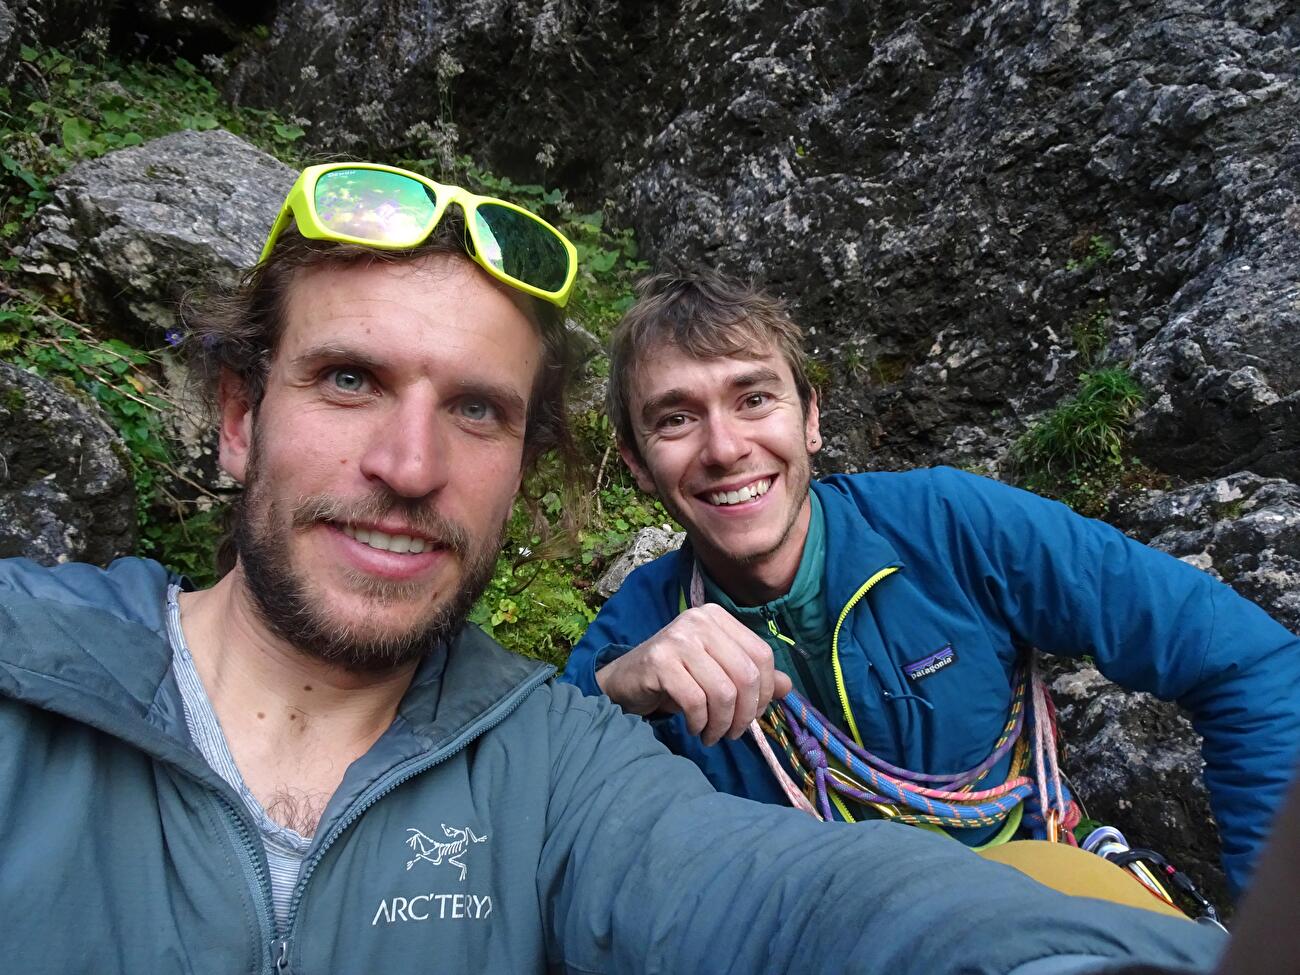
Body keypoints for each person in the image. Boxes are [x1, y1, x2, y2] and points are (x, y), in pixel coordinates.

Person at [0, 162, 1225, 975]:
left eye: (476, 409)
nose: (410, 464)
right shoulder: (28, 668)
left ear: (815, 418)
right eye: (350, 379)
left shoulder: (550, 762)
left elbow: (771, 895)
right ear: (236, 417)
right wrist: (621, 689)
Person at [560, 269, 1300, 902]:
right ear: (636, 462)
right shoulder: (642, 631)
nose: (725, 448)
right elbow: (540, 809)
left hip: (1038, 899)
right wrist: (616, 690)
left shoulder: (953, 527)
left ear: (811, 418)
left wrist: (1275, 932)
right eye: (677, 419)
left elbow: (1244, 660)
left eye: (754, 399)